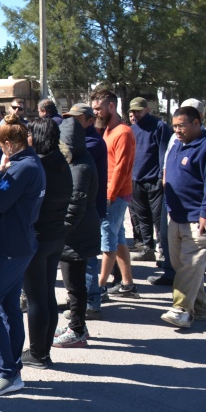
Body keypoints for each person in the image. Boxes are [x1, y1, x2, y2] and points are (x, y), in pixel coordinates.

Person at [0, 114, 45, 396]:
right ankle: (10, 363)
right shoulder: (30, 163)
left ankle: (8, 372)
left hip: (9, 247)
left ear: (7, 144)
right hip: (18, 243)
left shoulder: (18, 168)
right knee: (7, 306)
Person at [161, 106, 206, 328]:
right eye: (174, 126)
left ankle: (181, 309)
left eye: (181, 125)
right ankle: (201, 308)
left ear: (197, 123)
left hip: (198, 219)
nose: (177, 130)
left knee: (190, 265)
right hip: (176, 216)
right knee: (183, 266)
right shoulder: (178, 144)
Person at [21, 118, 71, 369]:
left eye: (30, 132)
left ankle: (39, 353)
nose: (27, 136)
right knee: (46, 295)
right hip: (56, 236)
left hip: (39, 238)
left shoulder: (38, 166)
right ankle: (43, 350)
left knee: (36, 299)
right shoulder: (61, 162)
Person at [53, 116, 101, 348]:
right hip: (76, 234)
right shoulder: (77, 162)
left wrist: (60, 231)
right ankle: (76, 322)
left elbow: (75, 208)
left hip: (77, 235)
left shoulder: (80, 167)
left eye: (64, 147)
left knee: (75, 285)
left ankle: (78, 329)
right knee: (74, 285)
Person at [90, 89, 139, 305]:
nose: (96, 112)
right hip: (111, 193)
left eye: (98, 108)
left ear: (111, 106)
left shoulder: (123, 132)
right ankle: (127, 283)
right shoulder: (108, 130)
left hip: (116, 195)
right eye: (93, 109)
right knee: (118, 238)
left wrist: (109, 194)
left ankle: (100, 286)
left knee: (107, 238)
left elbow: (121, 167)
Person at [128, 97, 172, 262]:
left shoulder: (159, 127)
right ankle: (148, 248)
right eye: (133, 111)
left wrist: (162, 175)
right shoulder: (131, 129)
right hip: (136, 180)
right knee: (142, 217)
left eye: (139, 110)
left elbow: (164, 153)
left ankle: (163, 251)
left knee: (158, 218)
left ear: (147, 109)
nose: (136, 114)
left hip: (155, 180)